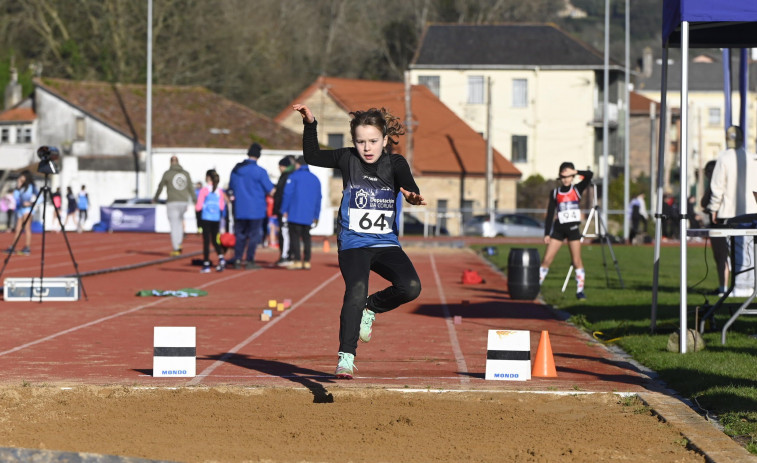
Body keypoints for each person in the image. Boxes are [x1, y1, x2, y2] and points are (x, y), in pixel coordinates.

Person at [293, 103, 426, 379]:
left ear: (385, 140)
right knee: (355, 288)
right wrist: (310, 123)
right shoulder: (347, 158)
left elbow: (409, 185)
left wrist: (412, 195)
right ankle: (346, 357)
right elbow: (312, 155)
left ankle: (371, 307)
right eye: (361, 141)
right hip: (353, 243)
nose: (367, 148)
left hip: (385, 243)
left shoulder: (395, 163)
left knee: (411, 287)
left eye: (373, 141)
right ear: (354, 142)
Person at [539, 162, 593, 299]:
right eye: (563, 175)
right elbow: (550, 213)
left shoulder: (577, 189)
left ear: (572, 176)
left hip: (573, 229)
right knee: (547, 259)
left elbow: (589, 175)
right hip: (558, 229)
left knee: (576, 261)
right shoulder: (555, 193)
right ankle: (536, 286)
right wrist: (546, 233)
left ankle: (580, 290)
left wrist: (575, 171)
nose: (566, 178)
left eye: (568, 175)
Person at [228, 143, 275, 270]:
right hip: (256, 209)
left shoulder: (237, 170)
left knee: (240, 235)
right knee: (254, 236)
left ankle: (237, 258)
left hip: (239, 208)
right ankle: (249, 260)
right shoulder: (260, 171)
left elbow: (231, 187)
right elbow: (270, 190)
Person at [280, 155, 322, 270]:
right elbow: (319, 198)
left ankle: (297, 260)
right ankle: (307, 261)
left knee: (294, 237)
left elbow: (287, 194)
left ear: (298, 164)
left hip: (294, 213)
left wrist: (284, 210)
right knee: (307, 237)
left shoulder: (294, 176)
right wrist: (316, 215)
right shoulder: (315, 179)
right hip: (308, 215)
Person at [153, 156, 196, 256]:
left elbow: (161, 186)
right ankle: (179, 242)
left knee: (174, 225)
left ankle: (176, 247)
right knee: (180, 222)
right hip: (184, 202)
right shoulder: (185, 174)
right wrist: (194, 199)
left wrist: (155, 198)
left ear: (170, 162)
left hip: (172, 202)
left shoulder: (168, 174)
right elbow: (190, 187)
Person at [701, 159, 728, 295]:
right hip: (716, 225)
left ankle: (726, 288)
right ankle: (723, 287)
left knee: (724, 257)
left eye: (710, 172)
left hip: (723, 224)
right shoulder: (713, 186)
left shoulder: (722, 185)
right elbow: (704, 203)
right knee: (719, 257)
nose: (709, 175)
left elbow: (707, 203)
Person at [195, 169, 229, 273]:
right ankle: (221, 258)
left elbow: (198, 207)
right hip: (216, 218)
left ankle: (206, 265)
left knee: (206, 242)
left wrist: (198, 223)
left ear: (207, 178)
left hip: (206, 218)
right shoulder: (219, 191)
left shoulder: (204, 190)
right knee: (215, 241)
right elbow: (222, 207)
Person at [5, 170, 37, 255]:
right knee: (17, 229)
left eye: (22, 176)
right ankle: (13, 247)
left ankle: (27, 247)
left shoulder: (31, 187)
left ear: (26, 177)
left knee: (27, 228)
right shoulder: (20, 187)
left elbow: (40, 197)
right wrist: (18, 187)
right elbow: (15, 198)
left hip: (27, 210)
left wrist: (31, 203)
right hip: (20, 209)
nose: (20, 178)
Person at [273, 156, 296, 266]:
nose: (279, 168)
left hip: (284, 210)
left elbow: (284, 194)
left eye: (280, 166)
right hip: (282, 209)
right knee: (284, 233)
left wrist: (283, 209)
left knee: (285, 233)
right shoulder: (285, 176)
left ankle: (285, 256)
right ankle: (286, 254)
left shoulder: (287, 177)